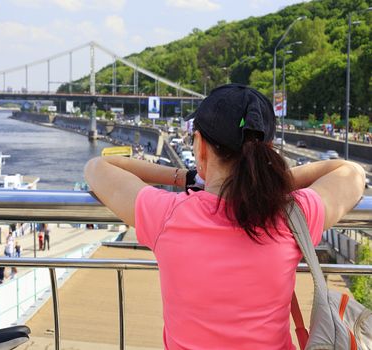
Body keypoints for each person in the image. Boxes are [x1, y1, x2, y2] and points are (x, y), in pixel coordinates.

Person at [84, 83, 366, 350]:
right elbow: (352, 173)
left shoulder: (167, 216)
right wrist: (270, 181)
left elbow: (99, 166)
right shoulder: (292, 216)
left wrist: (186, 177)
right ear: (266, 150)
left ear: (200, 146)